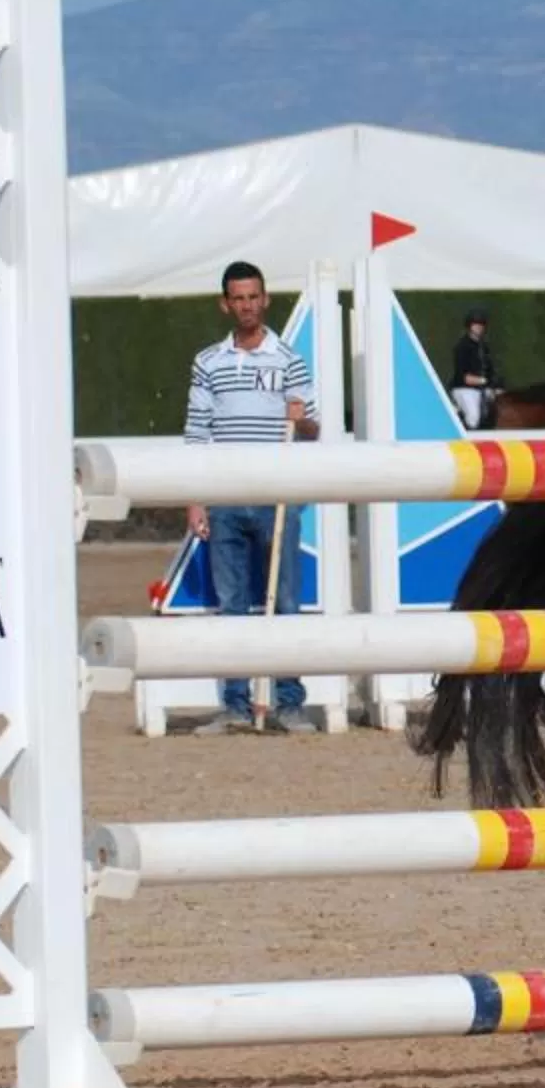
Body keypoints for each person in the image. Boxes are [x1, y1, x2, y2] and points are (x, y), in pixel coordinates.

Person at [183, 261, 320, 734]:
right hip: (223, 497)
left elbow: (313, 429)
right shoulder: (208, 361)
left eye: (253, 296)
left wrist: (301, 418)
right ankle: (237, 705)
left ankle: (290, 702)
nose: (246, 305)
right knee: (232, 603)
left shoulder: (289, 359)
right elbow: (198, 432)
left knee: (284, 601)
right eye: (237, 298)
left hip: (277, 496)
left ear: (265, 300)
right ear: (226, 304)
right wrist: (195, 499)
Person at [450, 308, 498, 431]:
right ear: (469, 326)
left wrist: (495, 385)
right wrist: (484, 381)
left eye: (481, 325)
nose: (479, 327)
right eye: (476, 325)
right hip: (463, 388)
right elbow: (464, 377)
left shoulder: (484, 347)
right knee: (473, 417)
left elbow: (490, 370)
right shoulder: (462, 346)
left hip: (481, 388)